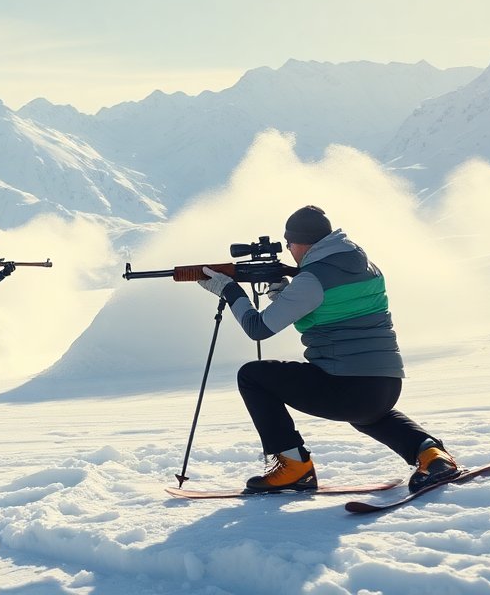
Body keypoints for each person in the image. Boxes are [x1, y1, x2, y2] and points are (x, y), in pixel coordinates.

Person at [197, 205, 459, 494]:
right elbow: (330, 310)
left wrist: (230, 291)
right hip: (385, 386)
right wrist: (283, 293)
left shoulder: (311, 280)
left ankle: (294, 467)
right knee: (368, 414)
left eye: (289, 244)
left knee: (253, 375)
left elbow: (257, 328)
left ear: (300, 243)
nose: (289, 251)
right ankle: (432, 456)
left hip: (346, 388)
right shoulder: (366, 267)